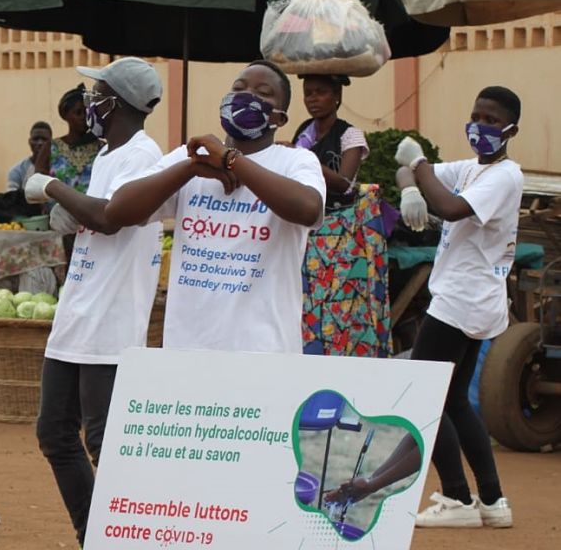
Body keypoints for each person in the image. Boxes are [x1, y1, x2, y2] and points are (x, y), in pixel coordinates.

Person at [22, 58, 164, 547]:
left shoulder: (143, 156)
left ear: (115, 102)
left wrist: (54, 187)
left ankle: (134, 538)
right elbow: (95, 218)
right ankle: (95, 535)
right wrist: (69, 212)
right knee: (54, 433)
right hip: (78, 313)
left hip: (110, 321)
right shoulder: (108, 155)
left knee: (105, 443)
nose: (88, 101)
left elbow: (109, 217)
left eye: (95, 92)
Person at [106, 61, 326, 352]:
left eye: (263, 92)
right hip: (187, 351)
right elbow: (117, 211)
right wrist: (190, 168)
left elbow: (309, 210)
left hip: (263, 353)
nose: (246, 95)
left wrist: (231, 160)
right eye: (238, 88)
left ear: (280, 118)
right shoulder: (191, 159)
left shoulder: (295, 161)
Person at [388, 86, 520, 529]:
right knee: (455, 400)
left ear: (511, 130)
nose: (480, 126)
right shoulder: (471, 168)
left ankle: (458, 498)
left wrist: (420, 167)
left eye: (491, 120)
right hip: (466, 297)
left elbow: (448, 206)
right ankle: (493, 501)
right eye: (476, 116)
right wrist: (411, 188)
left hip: (463, 300)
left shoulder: (505, 177)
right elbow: (406, 167)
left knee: (424, 395)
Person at [291, 74, 390, 357]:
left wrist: (304, 159)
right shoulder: (304, 133)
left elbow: (345, 183)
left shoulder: (350, 135)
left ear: (337, 96)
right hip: (308, 229)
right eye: (308, 93)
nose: (312, 99)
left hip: (341, 235)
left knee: (339, 302)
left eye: (320, 92)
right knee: (307, 301)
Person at [37, 84, 103, 195]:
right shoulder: (51, 148)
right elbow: (37, 184)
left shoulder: (101, 148)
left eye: (87, 112)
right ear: (65, 114)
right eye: (78, 112)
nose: (84, 117)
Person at [6, 121, 52, 191]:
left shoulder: (60, 168)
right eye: (36, 139)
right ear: (30, 142)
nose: (40, 143)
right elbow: (12, 196)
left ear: (51, 142)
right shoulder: (17, 170)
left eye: (44, 139)